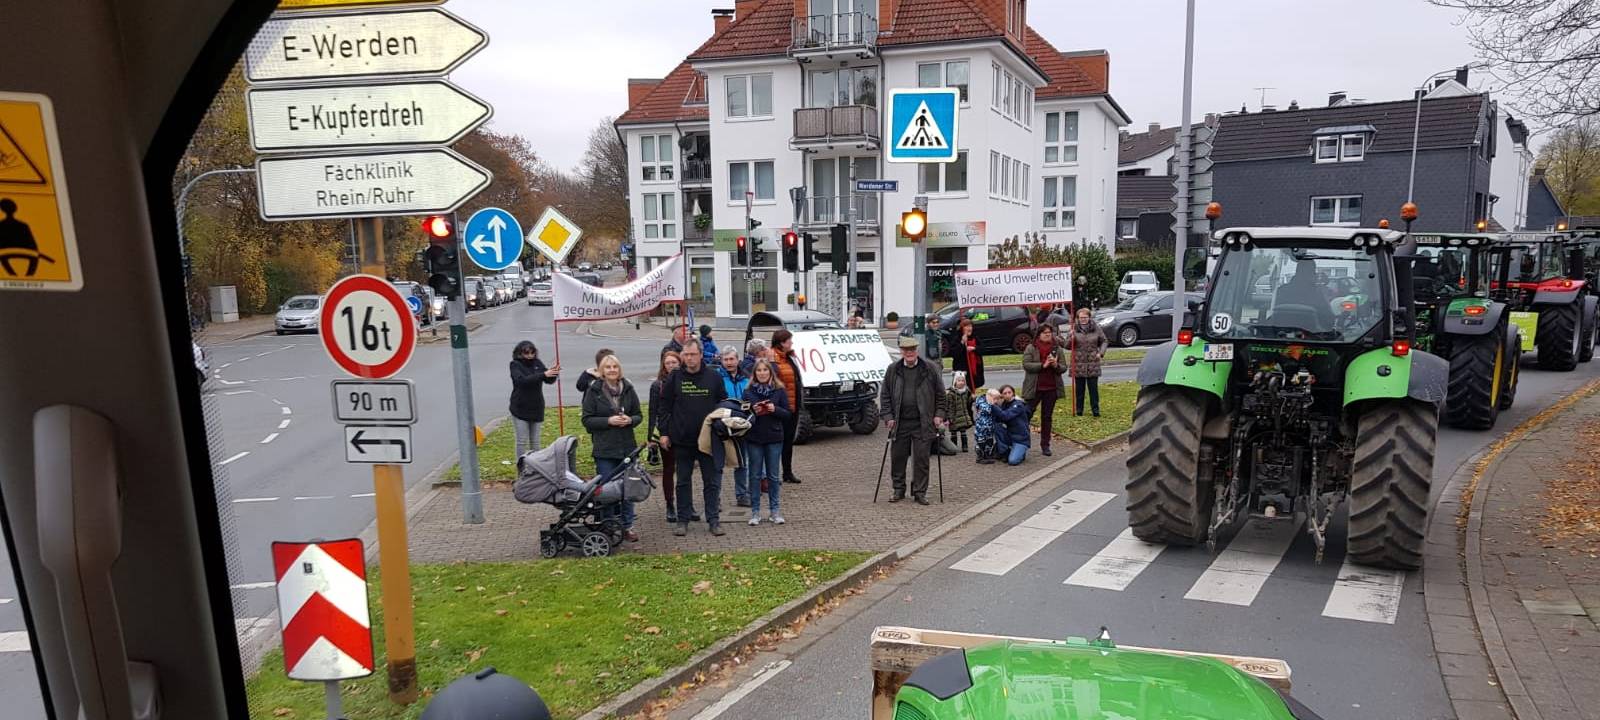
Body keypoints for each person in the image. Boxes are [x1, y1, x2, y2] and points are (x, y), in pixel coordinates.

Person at [658, 341, 728, 536]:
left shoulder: (713, 377)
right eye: (686, 354)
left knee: (711, 482)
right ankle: (683, 520)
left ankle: (713, 520)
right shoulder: (675, 378)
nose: (689, 358)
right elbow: (664, 407)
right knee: (682, 481)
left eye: (693, 354)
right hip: (682, 439)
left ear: (700, 354)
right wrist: (664, 432)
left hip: (708, 439)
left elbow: (723, 403)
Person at [580, 354, 643, 542]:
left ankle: (627, 525)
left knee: (629, 489)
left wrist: (630, 420)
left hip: (626, 448)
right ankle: (608, 525)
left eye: (615, 366)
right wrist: (608, 421)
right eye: (608, 367)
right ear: (601, 371)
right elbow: (587, 420)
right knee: (606, 490)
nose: (612, 370)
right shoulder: (594, 391)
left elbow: (639, 414)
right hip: (605, 450)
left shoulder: (628, 389)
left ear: (619, 369)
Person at [879, 335, 946, 504]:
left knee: (922, 459)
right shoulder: (893, 369)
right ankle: (898, 489)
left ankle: (919, 491)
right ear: (901, 351)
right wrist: (888, 416)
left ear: (917, 350)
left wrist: (939, 414)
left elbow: (941, 395)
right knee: (898, 457)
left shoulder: (929, 368)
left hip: (923, 422)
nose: (909, 353)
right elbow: (885, 395)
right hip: (900, 422)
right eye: (906, 350)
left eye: (912, 350)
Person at [741, 359, 790, 525]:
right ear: (754, 374)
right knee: (754, 475)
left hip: (774, 438)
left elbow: (787, 414)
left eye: (765, 370)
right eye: (759, 371)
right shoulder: (748, 392)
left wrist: (774, 409)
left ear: (770, 373)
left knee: (773, 476)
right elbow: (742, 414)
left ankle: (775, 511)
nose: (762, 373)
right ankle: (755, 512)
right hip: (754, 437)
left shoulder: (779, 390)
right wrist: (752, 411)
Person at [648, 351, 694, 524]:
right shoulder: (657, 385)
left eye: (674, 362)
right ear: (663, 365)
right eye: (667, 363)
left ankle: (688, 504)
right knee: (669, 469)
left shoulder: (686, 381)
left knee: (686, 470)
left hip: (684, 431)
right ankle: (670, 504)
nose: (671, 365)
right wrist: (651, 437)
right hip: (665, 432)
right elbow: (653, 411)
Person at [712, 348, 752, 507]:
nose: (729, 363)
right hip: (721, 425)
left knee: (742, 462)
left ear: (737, 360)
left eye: (731, 359)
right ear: (721, 361)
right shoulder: (716, 378)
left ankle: (742, 495)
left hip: (741, 425)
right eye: (726, 359)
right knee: (718, 464)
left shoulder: (746, 378)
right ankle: (715, 498)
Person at [1021, 323, 1068, 456]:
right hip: (1034, 388)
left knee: (1047, 417)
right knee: (1026, 415)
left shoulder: (1057, 348)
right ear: (1039, 334)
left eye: (1049, 332)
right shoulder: (1031, 347)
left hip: (1051, 388)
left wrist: (1055, 365)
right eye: (1045, 332)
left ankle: (1045, 445)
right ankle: (1022, 442)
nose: (1048, 334)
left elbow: (1064, 368)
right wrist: (1043, 365)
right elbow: (1026, 365)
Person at [508, 341, 560, 459]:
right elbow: (521, 381)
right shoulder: (515, 365)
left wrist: (554, 373)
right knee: (522, 441)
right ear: (519, 353)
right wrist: (543, 375)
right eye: (526, 353)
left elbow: (548, 380)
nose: (530, 355)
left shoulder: (537, 363)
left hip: (536, 407)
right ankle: (521, 469)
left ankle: (535, 468)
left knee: (535, 442)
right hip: (520, 408)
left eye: (532, 352)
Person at [770, 329, 805, 484]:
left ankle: (787, 472)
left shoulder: (789, 357)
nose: (791, 343)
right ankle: (773, 473)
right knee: (777, 442)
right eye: (789, 341)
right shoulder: (773, 358)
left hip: (793, 406)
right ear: (782, 343)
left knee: (788, 441)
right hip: (781, 408)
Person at [1068, 307, 1109, 417]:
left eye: (1085, 317)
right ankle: (1079, 411)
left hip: (1093, 362)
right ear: (1077, 318)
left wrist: (1101, 353)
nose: (1083, 319)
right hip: (1078, 362)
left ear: (1089, 317)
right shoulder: (1074, 329)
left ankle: (1095, 411)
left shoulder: (1096, 328)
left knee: (1093, 389)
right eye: (1081, 318)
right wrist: (1071, 337)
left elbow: (1104, 341)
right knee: (1079, 390)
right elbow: (1067, 346)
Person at [992, 385, 1031, 466]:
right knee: (997, 426)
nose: (1007, 395)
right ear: (1001, 395)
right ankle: (1005, 450)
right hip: (1009, 436)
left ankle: (1020, 453)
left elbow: (1006, 416)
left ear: (1013, 393)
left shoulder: (1018, 405)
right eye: (1004, 393)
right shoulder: (1003, 404)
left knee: (1012, 461)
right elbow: (997, 419)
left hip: (1021, 439)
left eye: (1009, 392)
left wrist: (993, 405)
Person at [947, 316, 986, 389]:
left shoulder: (975, 337)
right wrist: (962, 343)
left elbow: (983, 349)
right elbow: (954, 353)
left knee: (973, 388)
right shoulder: (957, 338)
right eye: (967, 326)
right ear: (962, 328)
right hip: (962, 368)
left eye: (970, 326)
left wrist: (974, 348)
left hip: (974, 368)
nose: (969, 328)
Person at [943, 370, 974, 452]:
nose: (961, 382)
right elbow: (949, 406)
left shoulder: (966, 391)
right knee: (953, 433)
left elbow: (968, 403)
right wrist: (949, 417)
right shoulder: (951, 393)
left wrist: (972, 398)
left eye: (963, 381)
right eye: (959, 380)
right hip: (953, 416)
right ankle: (954, 446)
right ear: (955, 382)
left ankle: (965, 446)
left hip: (963, 415)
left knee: (963, 432)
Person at [973, 388, 1001, 465]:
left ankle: (987, 455)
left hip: (990, 427)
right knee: (981, 442)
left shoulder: (992, 404)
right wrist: (993, 405)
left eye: (997, 399)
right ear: (989, 396)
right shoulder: (982, 402)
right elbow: (988, 409)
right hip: (981, 428)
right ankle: (980, 457)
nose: (996, 401)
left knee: (989, 442)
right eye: (995, 399)